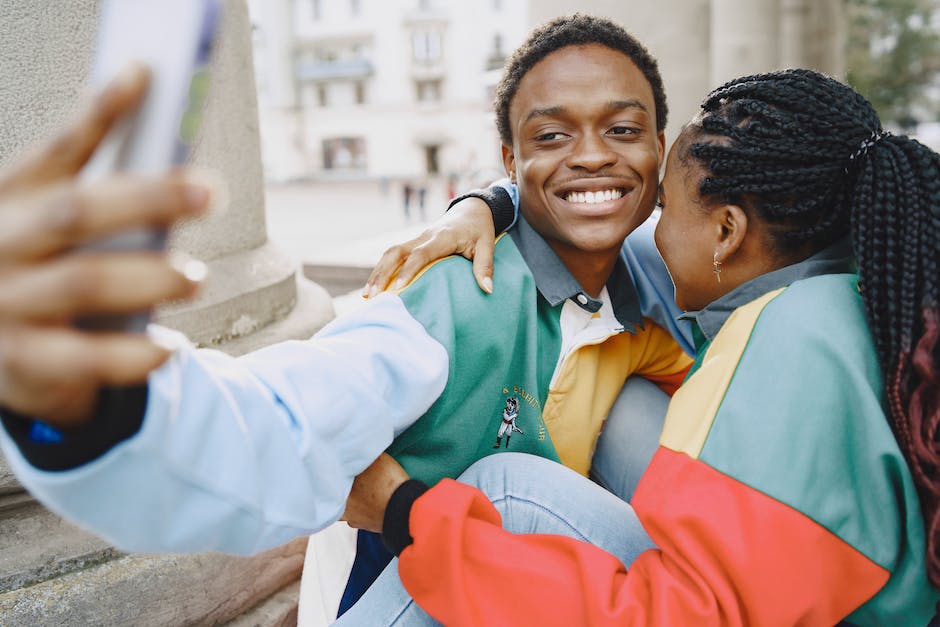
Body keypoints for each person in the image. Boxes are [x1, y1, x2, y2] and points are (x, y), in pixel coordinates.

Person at [0, 14, 692, 616]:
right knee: (509, 489)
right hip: (396, 594)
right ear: (511, 160)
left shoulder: (657, 274)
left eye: (623, 129)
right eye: (551, 137)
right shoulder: (455, 296)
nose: (594, 154)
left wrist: (489, 201)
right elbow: (288, 414)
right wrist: (88, 409)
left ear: (660, 148)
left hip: (522, 586)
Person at [344, 68, 940, 624]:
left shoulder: (789, 349)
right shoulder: (868, 289)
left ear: (727, 232)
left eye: (663, 208)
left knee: (501, 488)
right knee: (621, 407)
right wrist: (488, 202)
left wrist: (405, 514)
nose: (652, 230)